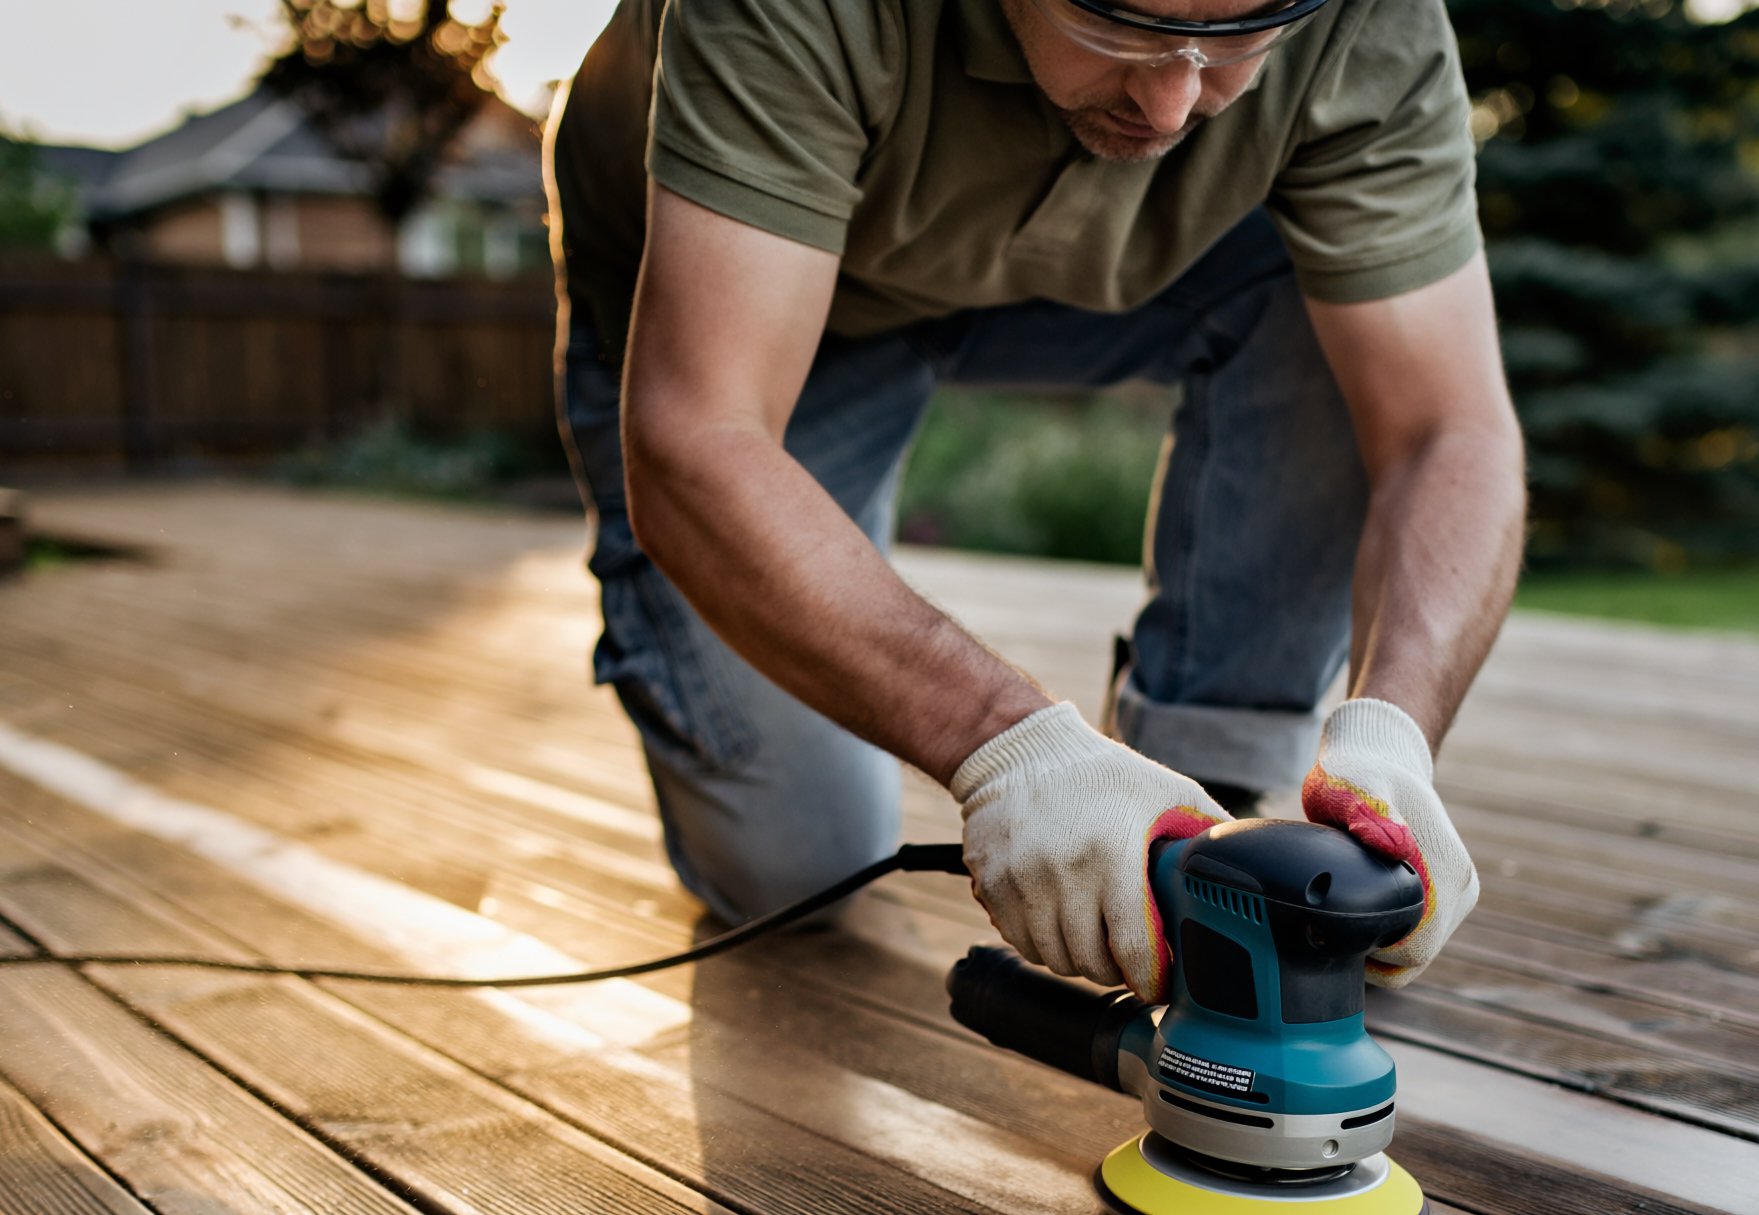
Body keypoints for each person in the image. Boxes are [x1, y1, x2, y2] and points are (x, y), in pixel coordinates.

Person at [547, 0, 1524, 1004]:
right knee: (793, 870)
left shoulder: (1373, 17)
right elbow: (700, 438)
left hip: (1133, 264)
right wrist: (1009, 746)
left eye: (1237, 39)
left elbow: (1449, 428)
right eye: (1126, 28)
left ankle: (1196, 799)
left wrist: (1396, 733)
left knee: (1345, 291)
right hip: (775, 286)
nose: (1175, 98)